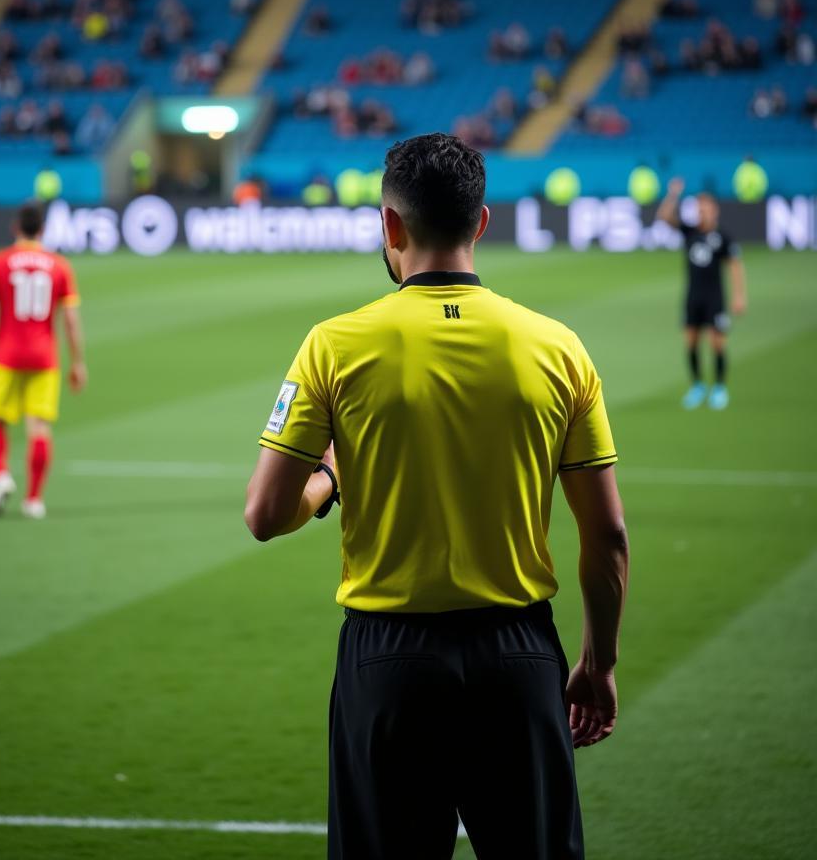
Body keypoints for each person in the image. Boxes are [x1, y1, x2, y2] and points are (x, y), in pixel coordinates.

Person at [244, 133, 629, 860]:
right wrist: (598, 664)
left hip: (387, 659)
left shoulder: (334, 345)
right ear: (481, 223)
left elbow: (265, 515)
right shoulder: (558, 347)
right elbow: (607, 537)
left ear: (390, 226)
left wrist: (331, 478)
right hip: (519, 656)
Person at [0, 202, 87, 519]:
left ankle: (1, 474)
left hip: (5, 355)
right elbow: (71, 320)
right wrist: (78, 362)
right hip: (45, 358)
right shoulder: (59, 265)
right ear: (43, 229)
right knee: (39, 428)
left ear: (15, 228)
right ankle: (34, 500)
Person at [657, 178, 747, 410]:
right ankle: (697, 386)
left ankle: (719, 387)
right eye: (698, 208)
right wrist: (673, 194)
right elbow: (664, 218)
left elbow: (735, 265)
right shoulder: (690, 232)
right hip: (692, 297)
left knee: (717, 343)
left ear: (714, 211)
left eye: (705, 208)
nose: (701, 212)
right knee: (691, 342)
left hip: (715, 298)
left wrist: (739, 295)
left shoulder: (723, 237)